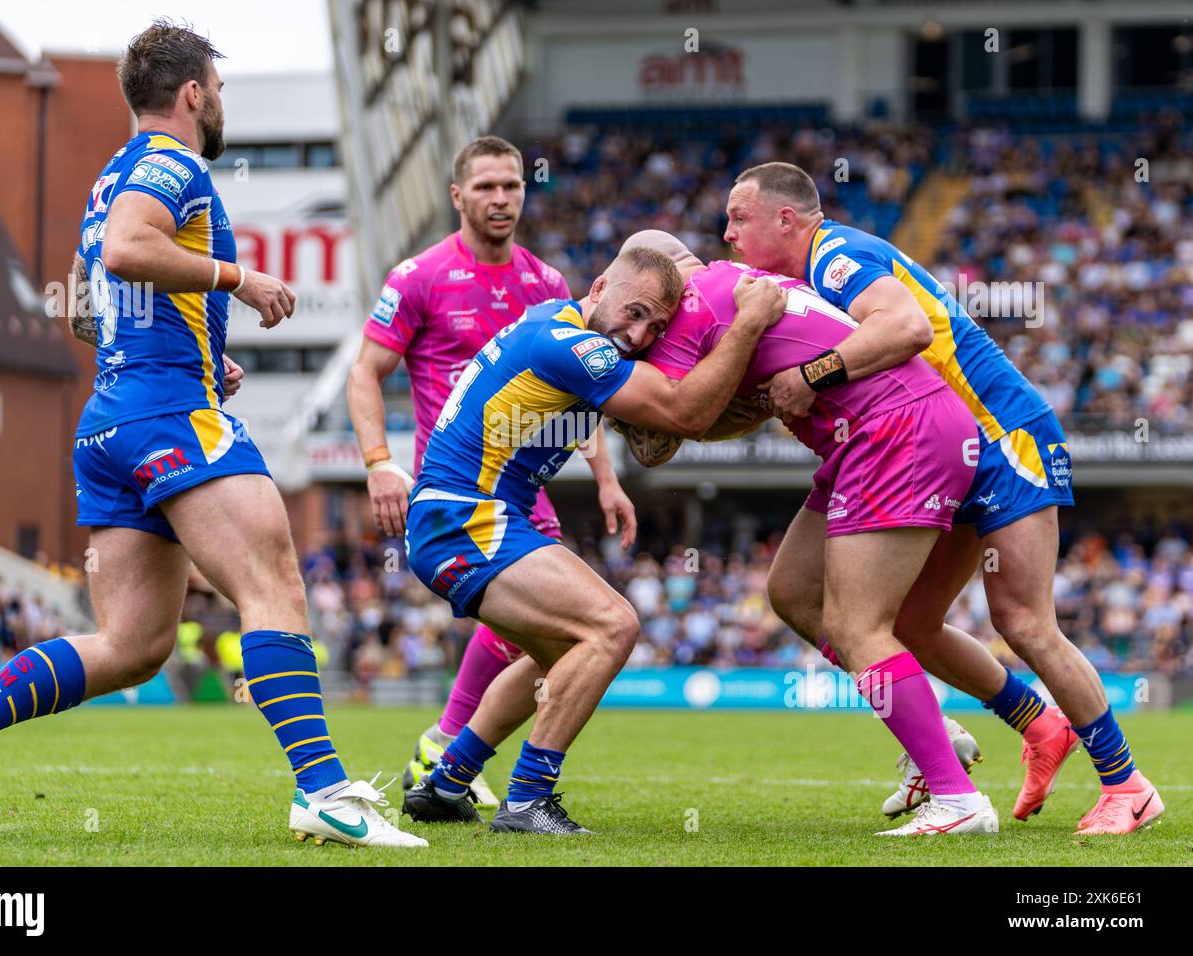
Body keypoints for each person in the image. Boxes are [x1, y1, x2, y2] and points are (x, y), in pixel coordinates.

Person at [0, 20, 425, 849]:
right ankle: (322, 791)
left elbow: (79, 312)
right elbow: (129, 249)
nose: (221, 103)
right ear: (192, 94)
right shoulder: (172, 164)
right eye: (219, 89)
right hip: (168, 416)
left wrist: (197, 352)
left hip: (113, 419)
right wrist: (238, 279)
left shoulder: (110, 177)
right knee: (274, 583)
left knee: (134, 644)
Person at [724, 162, 1162, 834]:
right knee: (907, 626)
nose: (727, 234)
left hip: (998, 436)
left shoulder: (836, 257)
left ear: (786, 219)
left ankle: (1126, 785)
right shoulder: (807, 276)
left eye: (738, 218)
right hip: (938, 451)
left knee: (1024, 621)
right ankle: (1036, 723)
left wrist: (811, 375)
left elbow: (905, 329)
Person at [401, 247, 786, 833]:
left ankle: (445, 782)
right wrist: (751, 324)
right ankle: (528, 799)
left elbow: (651, 440)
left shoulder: (559, 324)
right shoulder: (574, 347)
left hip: (457, 517)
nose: (637, 335)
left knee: (556, 657)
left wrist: (609, 478)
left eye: (655, 327)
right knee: (615, 625)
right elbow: (681, 416)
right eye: (633, 313)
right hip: (466, 518)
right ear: (601, 283)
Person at [627, 233, 997, 836]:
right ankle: (933, 736)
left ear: (657, 274)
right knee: (794, 591)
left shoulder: (693, 304)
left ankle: (958, 800)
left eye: (641, 309)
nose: (639, 328)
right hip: (882, 431)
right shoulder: (728, 289)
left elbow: (663, 434)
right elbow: (733, 407)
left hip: (892, 430)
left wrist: (603, 390)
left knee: (858, 627)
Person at [345, 136, 635, 806]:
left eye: (511, 186)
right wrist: (378, 464)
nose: (501, 199)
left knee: (554, 635)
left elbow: (579, 390)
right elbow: (365, 372)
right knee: (558, 628)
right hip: (458, 487)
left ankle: (451, 762)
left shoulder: (548, 284)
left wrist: (606, 476)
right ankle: (456, 751)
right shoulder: (417, 276)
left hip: (526, 485)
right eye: (485, 188)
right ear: (458, 196)